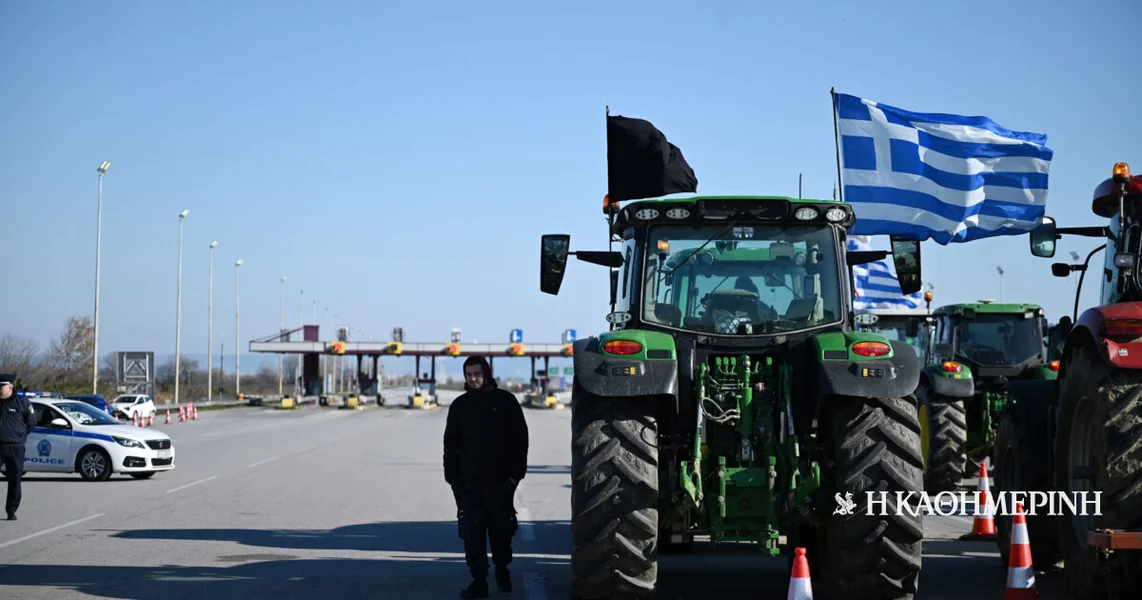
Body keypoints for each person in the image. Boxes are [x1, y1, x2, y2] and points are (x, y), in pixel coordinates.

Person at [443, 356, 529, 599]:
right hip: (469, 484)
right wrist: (453, 478)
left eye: (477, 374)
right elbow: (450, 444)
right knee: (472, 534)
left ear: (487, 373)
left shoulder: (505, 402)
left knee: (501, 532)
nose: (473, 379)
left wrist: (514, 477)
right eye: (469, 374)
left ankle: (502, 571)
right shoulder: (460, 406)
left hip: (500, 482)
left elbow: (519, 441)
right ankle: (478, 580)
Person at [0, 373, 35, 521]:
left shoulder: (22, 403)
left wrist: (21, 435)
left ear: (10, 387)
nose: (0, 389)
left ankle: (11, 510)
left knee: (15, 479)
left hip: (15, 446)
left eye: (2, 386)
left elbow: (31, 422)